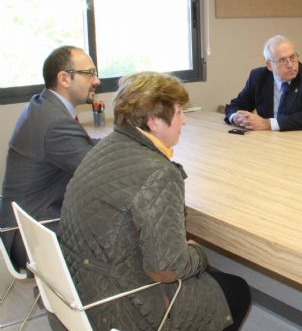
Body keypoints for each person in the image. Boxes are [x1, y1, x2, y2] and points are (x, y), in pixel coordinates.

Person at [58, 72, 251, 331]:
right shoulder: (160, 173)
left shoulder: (105, 147)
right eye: (179, 112)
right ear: (154, 122)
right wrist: (198, 254)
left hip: (80, 288)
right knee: (236, 291)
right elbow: (166, 269)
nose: (184, 120)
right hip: (117, 307)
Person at [0, 45, 100, 270]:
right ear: (64, 78)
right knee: (125, 235)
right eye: (89, 73)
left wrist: (125, 143)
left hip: (26, 224)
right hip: (36, 234)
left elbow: (86, 146)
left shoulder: (43, 105)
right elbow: (99, 172)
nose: (96, 81)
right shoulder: (56, 122)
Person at [225, 35, 302, 133]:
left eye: (292, 57)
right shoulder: (258, 77)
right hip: (269, 138)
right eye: (282, 60)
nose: (290, 65)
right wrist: (235, 117)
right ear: (269, 65)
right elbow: (236, 105)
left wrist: (267, 124)